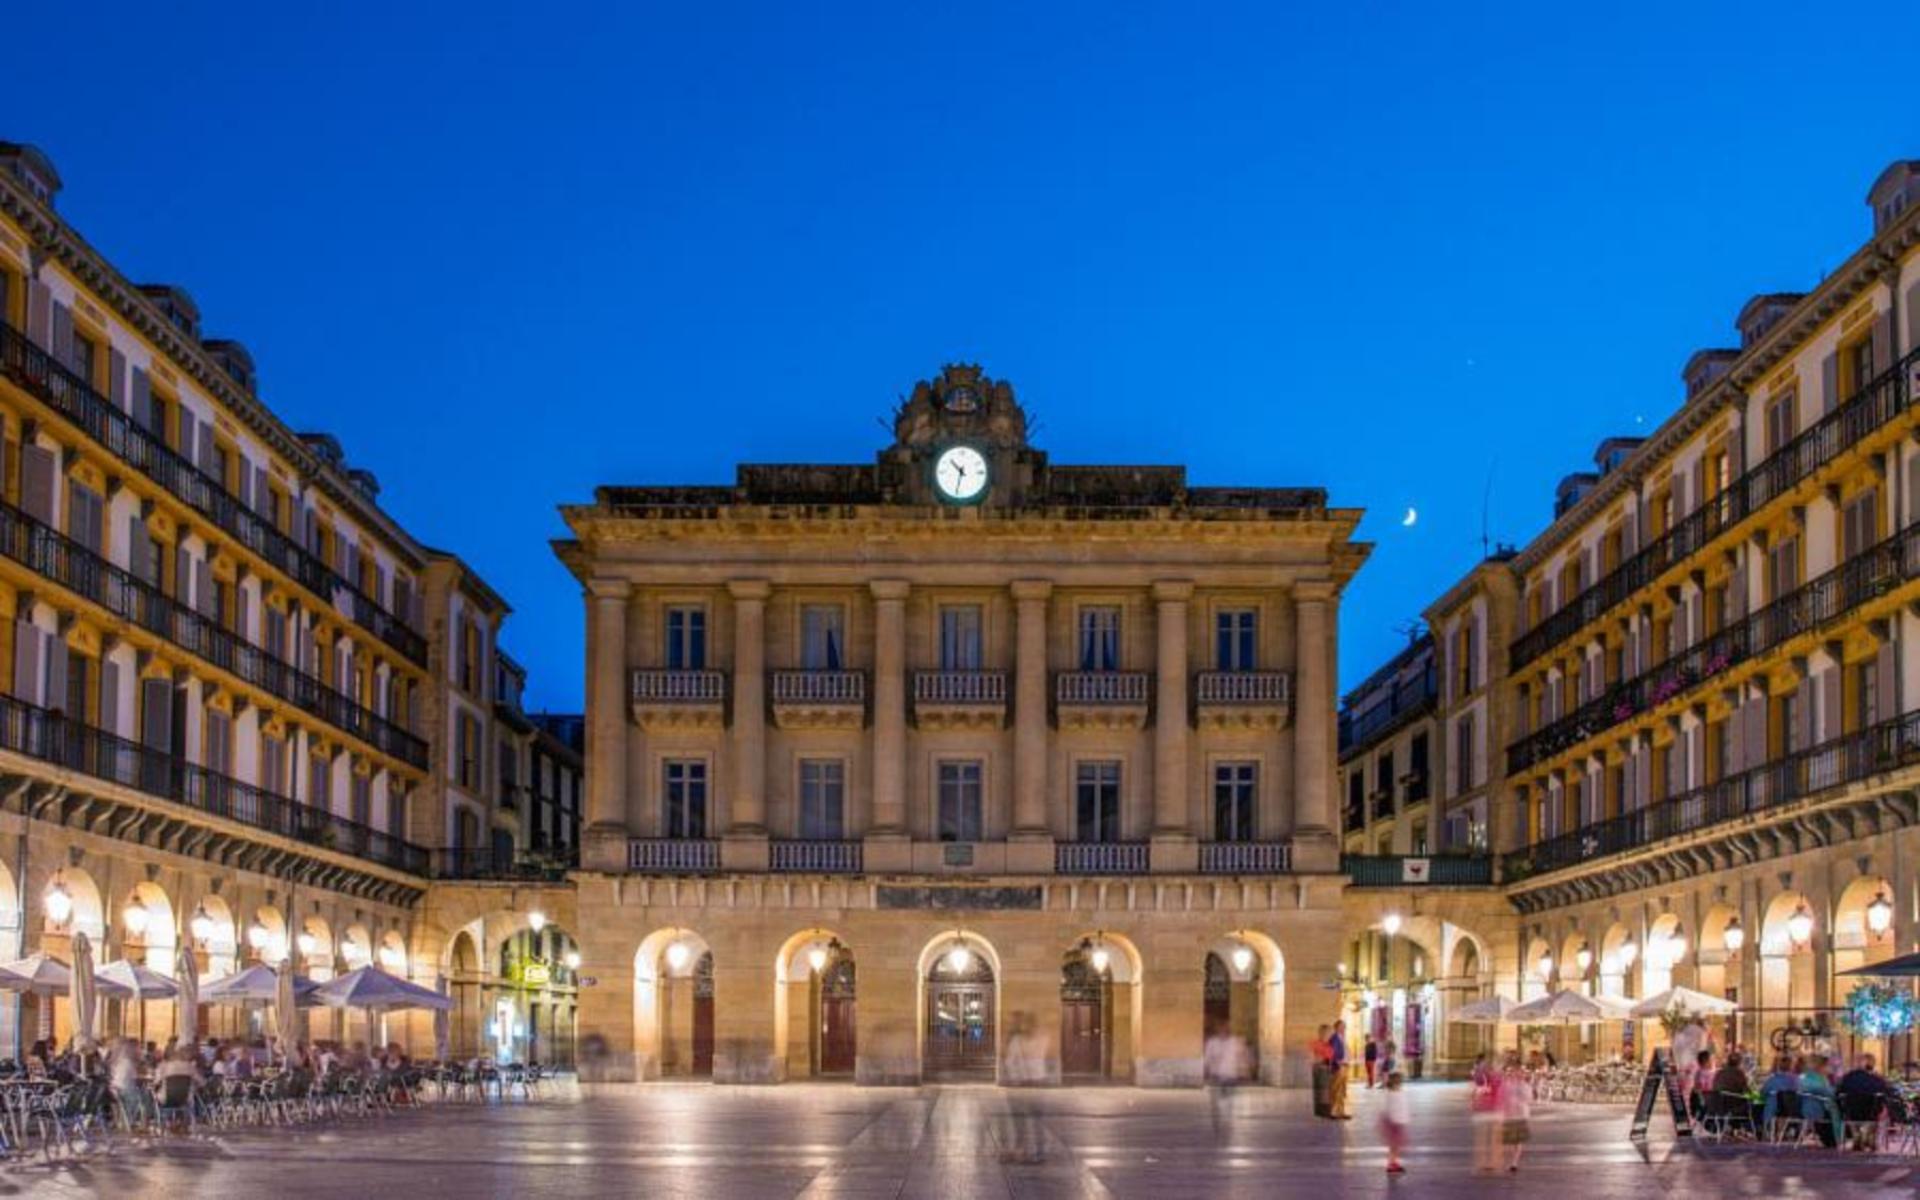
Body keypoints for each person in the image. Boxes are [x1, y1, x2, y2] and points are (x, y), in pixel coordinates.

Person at [1001, 1013, 1047, 1163]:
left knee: (1035, 1120)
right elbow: (1010, 1061)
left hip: (1035, 1082)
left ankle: (1037, 1151)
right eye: (1025, 1025)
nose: (1027, 1028)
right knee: (1020, 1120)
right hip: (1024, 1083)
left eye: (1029, 1024)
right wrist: (1016, 1078)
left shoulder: (1039, 1039)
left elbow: (1014, 1060)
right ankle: (1023, 1149)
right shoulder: (1019, 1040)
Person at [1204, 1027, 1250, 1142]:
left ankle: (1227, 1119)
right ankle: (1218, 1119)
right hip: (1216, 1075)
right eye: (1221, 1031)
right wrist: (1207, 1070)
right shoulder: (1212, 1043)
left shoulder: (1235, 1042)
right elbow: (1207, 1058)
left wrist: (1244, 1070)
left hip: (1230, 1075)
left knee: (1229, 1100)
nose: (1223, 1033)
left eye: (1225, 1031)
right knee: (1216, 1101)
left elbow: (1241, 1057)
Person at [1798, 1054, 1842, 1148]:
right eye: (1828, 1066)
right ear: (1821, 1067)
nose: (1830, 1068)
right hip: (1817, 1109)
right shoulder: (1816, 1079)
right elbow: (1829, 1093)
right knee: (1839, 1110)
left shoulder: (1806, 1077)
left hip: (1807, 1108)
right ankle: (1837, 1138)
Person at [1470, 1052, 1502, 1173]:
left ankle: (1485, 1162)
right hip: (1490, 1107)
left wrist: (1473, 1102)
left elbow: (1475, 1089)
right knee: (1490, 1137)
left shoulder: (1480, 1074)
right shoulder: (1495, 1075)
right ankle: (1491, 1162)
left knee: (1484, 1137)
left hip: (1487, 1107)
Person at [1500, 1055, 1533, 1171]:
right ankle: (1512, 1161)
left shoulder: (1525, 1085)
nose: (1516, 1073)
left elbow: (1529, 1099)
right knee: (1511, 1141)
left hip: (1520, 1115)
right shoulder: (1508, 1084)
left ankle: (1514, 1162)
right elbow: (1503, 1098)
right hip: (1512, 1115)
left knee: (1517, 1141)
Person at [1379, 1069, 1409, 1174]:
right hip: (1394, 1124)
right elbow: (1393, 1109)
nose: (1401, 1085)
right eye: (1400, 1082)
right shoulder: (1392, 1095)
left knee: (1396, 1146)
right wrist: (1399, 1119)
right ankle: (1391, 1164)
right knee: (1394, 1145)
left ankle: (1394, 1162)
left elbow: (1402, 1107)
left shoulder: (1396, 1093)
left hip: (1397, 1123)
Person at [1759, 1054, 1799, 1132]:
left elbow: (1762, 1094)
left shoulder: (1772, 1080)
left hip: (1773, 1111)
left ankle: (1764, 1130)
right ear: (1790, 1067)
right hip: (1791, 1111)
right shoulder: (1795, 1080)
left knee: (1760, 1106)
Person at [1327, 1019, 1351, 1119]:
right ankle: (1333, 1112)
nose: (1344, 1028)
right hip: (1339, 1067)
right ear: (1336, 1027)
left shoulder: (1342, 1037)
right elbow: (1332, 1052)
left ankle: (1341, 1111)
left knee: (1342, 1090)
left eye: (1344, 1026)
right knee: (1335, 1089)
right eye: (1341, 1026)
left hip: (1345, 1065)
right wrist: (1337, 1062)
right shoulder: (1334, 1038)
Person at [1309, 1025, 1334, 1118]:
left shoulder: (1328, 1044)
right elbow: (1313, 1057)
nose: (1329, 1035)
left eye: (1330, 1033)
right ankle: (1323, 1111)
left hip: (1326, 1068)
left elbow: (1329, 1056)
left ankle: (1322, 1110)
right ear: (1322, 1033)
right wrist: (1319, 1060)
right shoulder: (1315, 1043)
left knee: (1325, 1090)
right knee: (1322, 1090)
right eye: (1328, 1033)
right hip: (1320, 1068)